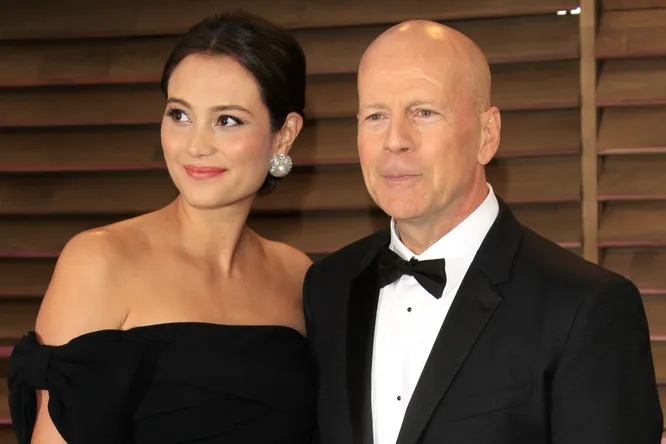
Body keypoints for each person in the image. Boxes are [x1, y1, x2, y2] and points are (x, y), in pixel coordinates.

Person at [303, 20, 663, 444]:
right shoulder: (328, 288)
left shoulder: (586, 307)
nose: (395, 140)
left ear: (487, 135)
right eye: (376, 116)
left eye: (424, 112)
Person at [8, 11, 316, 444]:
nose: (196, 145)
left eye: (227, 120)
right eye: (180, 115)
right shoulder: (101, 259)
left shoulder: (297, 275)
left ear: (284, 135)